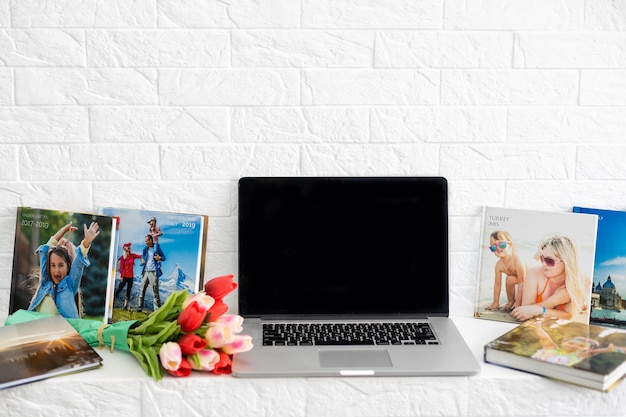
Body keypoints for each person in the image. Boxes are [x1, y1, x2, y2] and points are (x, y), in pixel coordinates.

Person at [28, 221, 100, 318]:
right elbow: (45, 251)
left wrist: (86, 242)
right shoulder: (45, 282)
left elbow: (78, 263)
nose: (57, 270)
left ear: (68, 266)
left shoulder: (69, 286)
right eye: (53, 265)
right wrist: (63, 230)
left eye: (61, 265)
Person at [511, 235, 587, 323]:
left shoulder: (576, 281)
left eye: (550, 261)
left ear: (566, 262)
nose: (543, 264)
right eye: (542, 258)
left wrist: (539, 310)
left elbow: (568, 315)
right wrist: (552, 302)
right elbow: (525, 312)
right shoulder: (534, 274)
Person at [525, 319, 626, 366]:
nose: (574, 346)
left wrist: (611, 349)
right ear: (563, 342)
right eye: (571, 343)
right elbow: (544, 337)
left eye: (581, 346)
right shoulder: (551, 348)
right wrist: (537, 327)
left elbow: (595, 351)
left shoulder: (578, 355)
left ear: (588, 349)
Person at [485, 231, 526, 311]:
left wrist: (518, 303)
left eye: (501, 244)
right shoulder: (498, 265)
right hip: (518, 281)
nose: (498, 248)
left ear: (510, 245)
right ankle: (510, 301)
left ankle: (517, 302)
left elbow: (522, 282)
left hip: (528, 281)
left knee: (510, 279)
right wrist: (495, 302)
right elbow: (497, 284)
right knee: (509, 279)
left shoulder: (517, 259)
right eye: (493, 247)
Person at [137, 234, 166, 312]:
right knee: (142, 289)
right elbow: (143, 258)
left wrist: (159, 258)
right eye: (145, 241)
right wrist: (142, 260)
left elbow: (164, 257)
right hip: (145, 271)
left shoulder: (157, 248)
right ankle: (140, 307)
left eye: (147, 241)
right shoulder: (145, 250)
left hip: (153, 272)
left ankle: (157, 310)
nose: (145, 242)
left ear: (150, 240)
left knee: (155, 291)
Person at [114, 242, 142, 310]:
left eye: (129, 246)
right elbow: (121, 268)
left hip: (131, 277)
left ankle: (125, 306)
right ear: (124, 248)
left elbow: (140, 256)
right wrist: (121, 276)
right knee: (118, 290)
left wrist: (146, 254)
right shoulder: (123, 257)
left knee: (128, 291)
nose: (129, 247)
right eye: (127, 246)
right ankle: (112, 303)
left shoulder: (132, 255)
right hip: (124, 277)